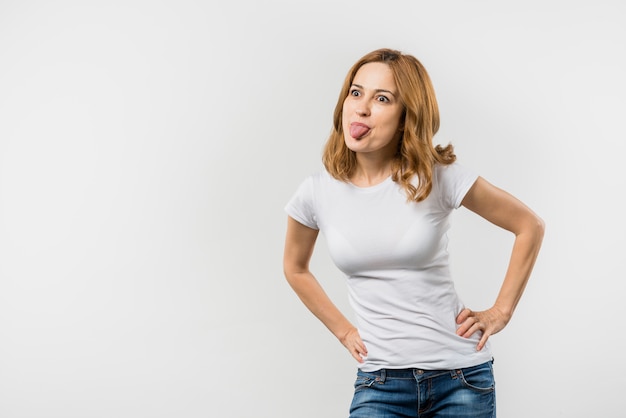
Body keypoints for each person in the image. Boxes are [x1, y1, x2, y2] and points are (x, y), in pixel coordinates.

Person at [282, 48, 544, 418]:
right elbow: (295, 268)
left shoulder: (438, 176)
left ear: (406, 117)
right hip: (380, 383)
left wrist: (502, 311)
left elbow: (528, 225)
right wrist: (343, 331)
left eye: (382, 99)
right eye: (355, 93)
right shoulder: (316, 192)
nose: (361, 108)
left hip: (461, 378)